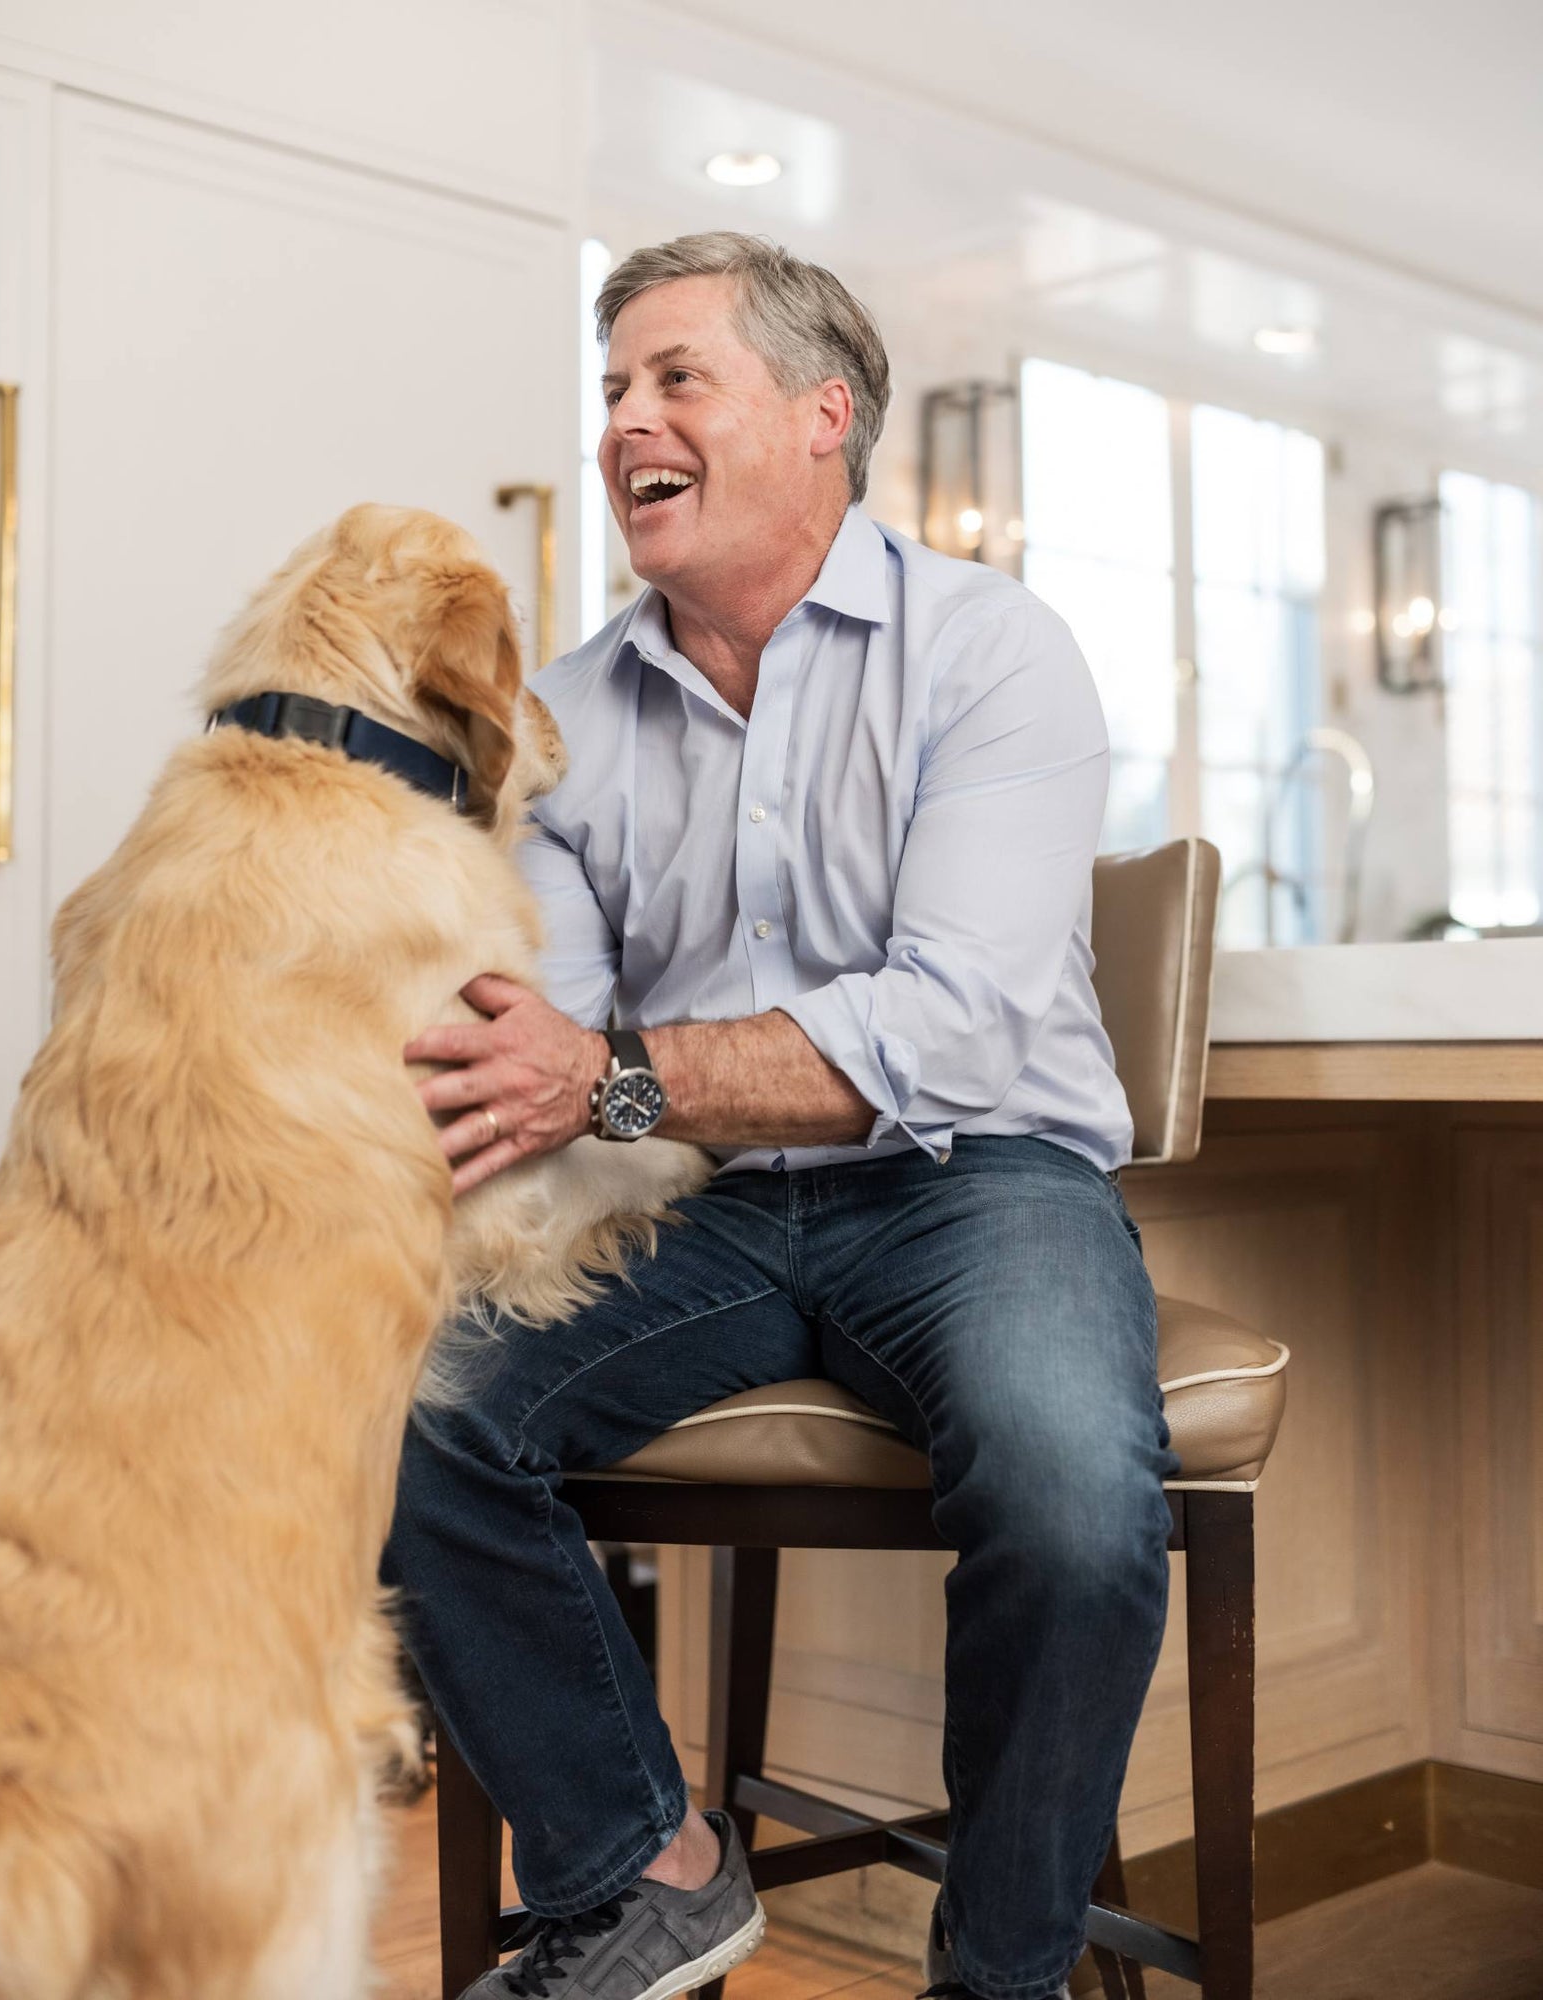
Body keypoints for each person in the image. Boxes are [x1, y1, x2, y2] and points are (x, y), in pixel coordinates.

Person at [386, 230, 1175, 2000]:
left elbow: (958, 1029)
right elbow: (561, 1044)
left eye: (677, 379)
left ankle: (1005, 1973)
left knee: (1069, 1496)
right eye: (612, 391)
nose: (625, 425)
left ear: (826, 415)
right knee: (402, 1408)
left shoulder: (991, 650)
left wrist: (611, 1074)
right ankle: (644, 1869)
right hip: (708, 1200)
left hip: (985, 1181)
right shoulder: (564, 722)